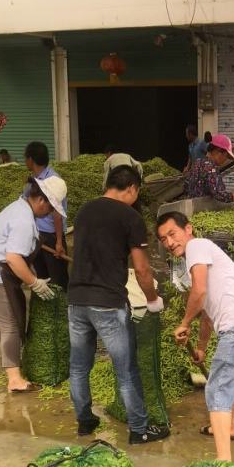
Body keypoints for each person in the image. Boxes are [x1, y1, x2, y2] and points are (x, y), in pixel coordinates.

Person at [68, 165, 168, 445]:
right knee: (125, 369)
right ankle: (139, 429)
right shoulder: (130, 217)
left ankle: (85, 422)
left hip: (76, 300)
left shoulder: (85, 210)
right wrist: (152, 299)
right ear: (132, 188)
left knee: (78, 367)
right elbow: (143, 270)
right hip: (108, 303)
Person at [157, 210, 234, 461]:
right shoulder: (201, 254)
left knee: (217, 388)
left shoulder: (197, 246)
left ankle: (223, 461)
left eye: (172, 234)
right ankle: (231, 427)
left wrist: (184, 323)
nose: (170, 242)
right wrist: (202, 347)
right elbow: (206, 313)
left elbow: (199, 290)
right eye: (163, 239)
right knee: (230, 377)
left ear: (188, 229)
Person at [0, 176, 66, 393]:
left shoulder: (19, 206)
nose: (49, 213)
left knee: (11, 320)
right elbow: (14, 259)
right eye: (51, 208)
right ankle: (14, 378)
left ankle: (14, 368)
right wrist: (34, 282)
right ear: (41, 200)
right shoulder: (24, 220)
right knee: (11, 326)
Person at [23, 141, 68, 289]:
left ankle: (61, 308)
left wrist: (59, 242)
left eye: (25, 158)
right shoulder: (31, 182)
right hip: (37, 235)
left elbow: (57, 214)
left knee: (58, 279)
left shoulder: (54, 181)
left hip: (52, 236)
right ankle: (46, 308)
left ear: (30, 160)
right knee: (43, 276)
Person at [184, 134, 234, 203]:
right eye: (226, 156)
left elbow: (186, 186)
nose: (225, 159)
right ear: (218, 152)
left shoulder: (198, 162)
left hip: (192, 207)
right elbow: (219, 194)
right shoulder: (211, 168)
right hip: (203, 208)